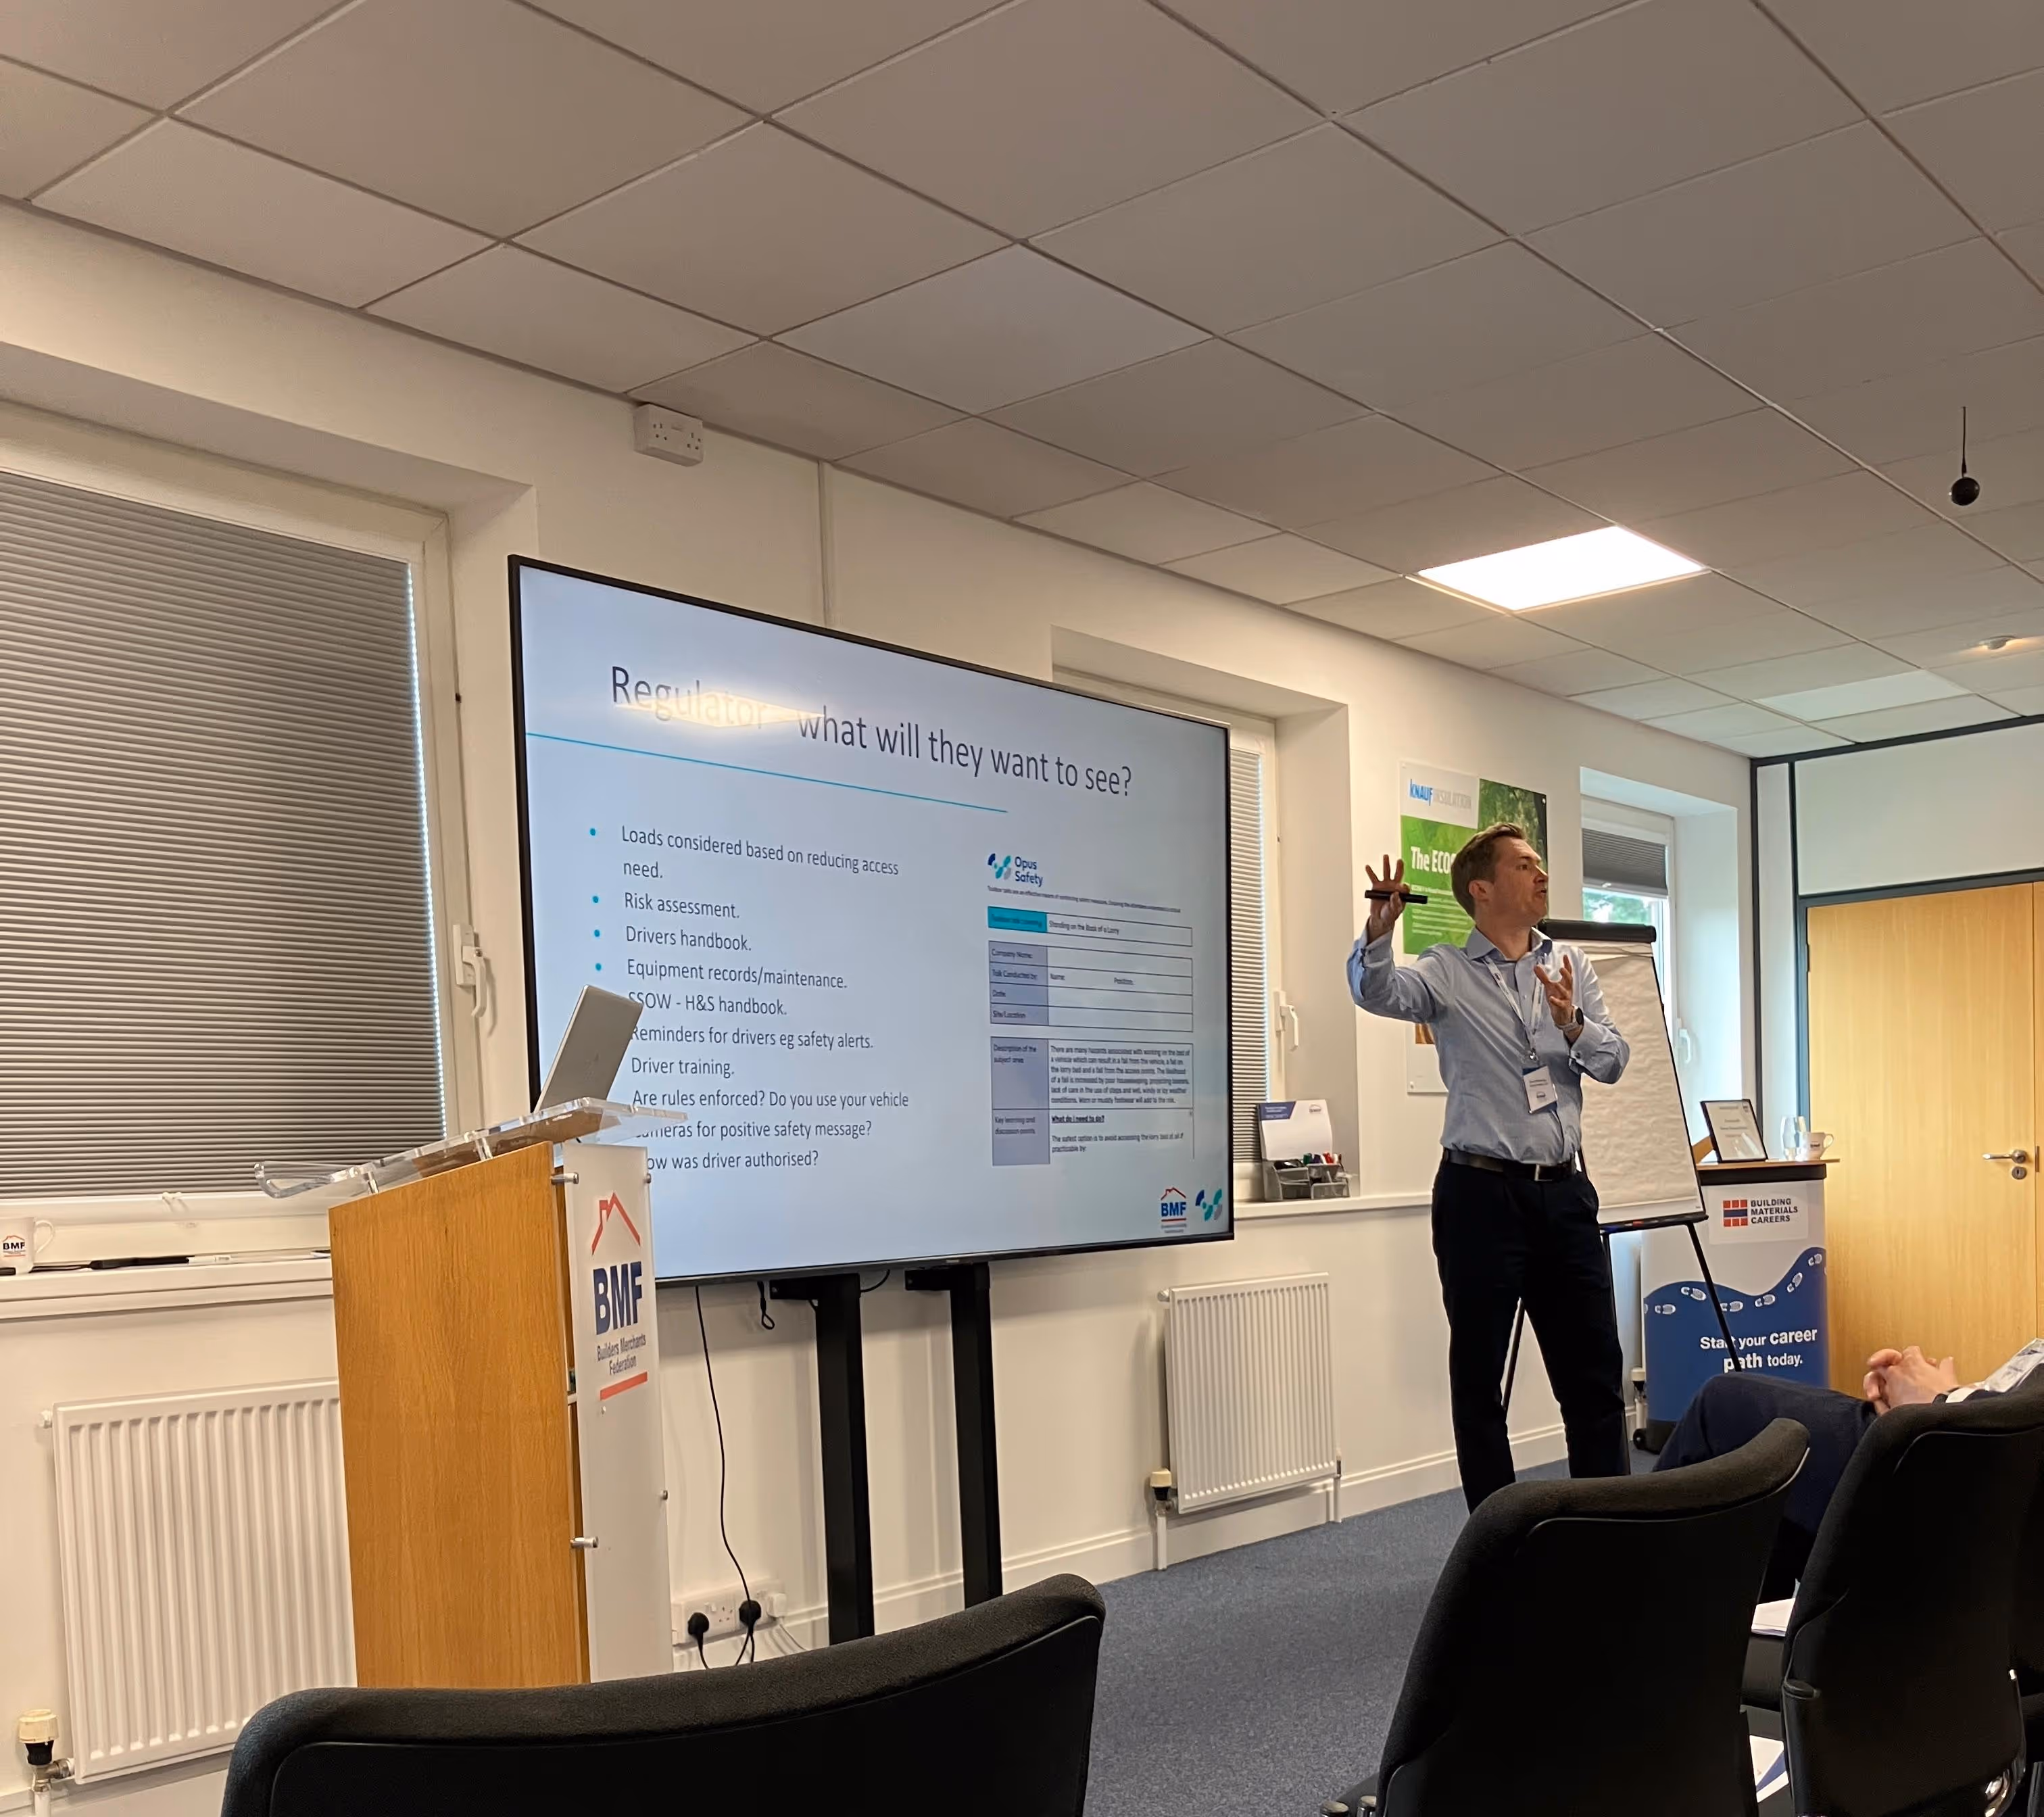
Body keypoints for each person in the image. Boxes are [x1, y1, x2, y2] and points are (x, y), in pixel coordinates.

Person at [1349, 824, 1631, 1509]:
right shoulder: (1447, 971)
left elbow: (1614, 1061)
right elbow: (1378, 993)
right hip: (1480, 1196)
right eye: (1526, 865)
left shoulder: (1571, 967)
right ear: (1482, 887)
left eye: (1540, 864)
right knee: (1479, 1380)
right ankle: (1499, 1546)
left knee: (1594, 1376)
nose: (1542, 875)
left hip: (1565, 1195)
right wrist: (1379, 934)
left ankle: (1614, 1535)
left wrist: (1572, 1025)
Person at [1657, 1338, 2044, 1596]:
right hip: (1991, 1437)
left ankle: (1620, 1609)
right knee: (1775, 1493)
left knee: (1725, 1407)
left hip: (1990, 1490)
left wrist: (1941, 1402)